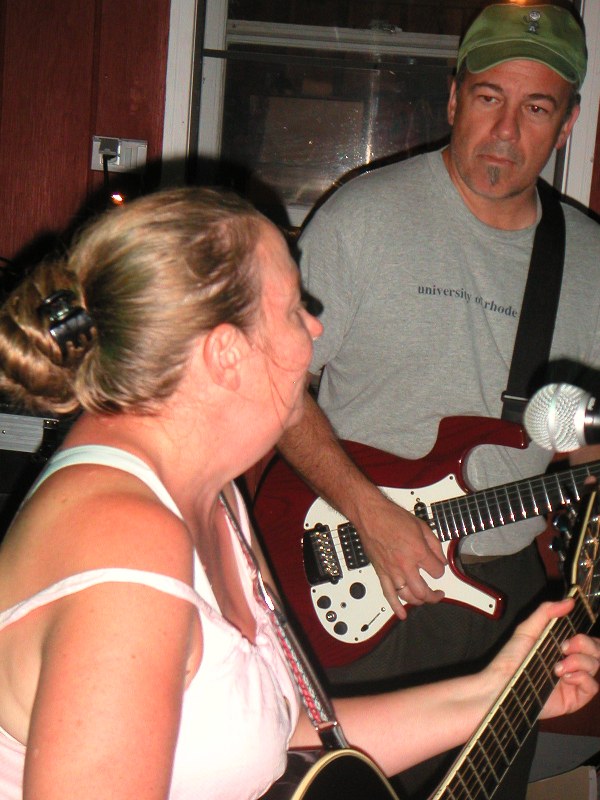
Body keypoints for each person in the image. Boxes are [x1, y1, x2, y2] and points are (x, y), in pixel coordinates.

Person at [0, 187, 597, 800]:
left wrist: (497, 692)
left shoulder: (212, 496)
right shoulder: (126, 553)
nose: (315, 327)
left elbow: (276, 735)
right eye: (294, 309)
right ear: (226, 354)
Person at [273, 3, 600, 798]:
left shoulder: (592, 260)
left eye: (536, 109)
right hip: (357, 571)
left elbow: (582, 442)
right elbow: (273, 386)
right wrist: (368, 511)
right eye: (489, 97)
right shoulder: (363, 219)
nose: (505, 131)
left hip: (506, 594)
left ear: (567, 124)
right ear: (453, 98)